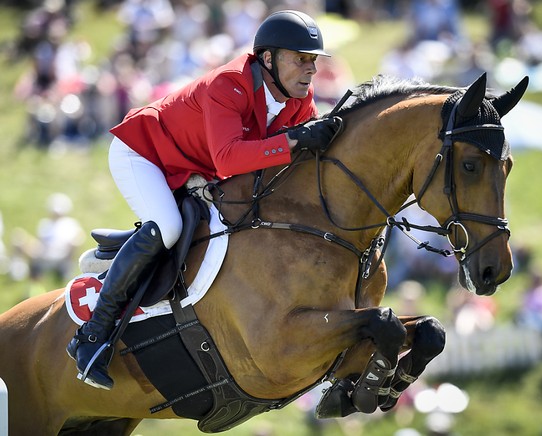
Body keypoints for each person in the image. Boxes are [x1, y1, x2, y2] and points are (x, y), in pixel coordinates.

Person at [66, 9, 343, 390]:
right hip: (144, 153)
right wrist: (295, 141)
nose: (311, 69)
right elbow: (229, 158)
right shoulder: (228, 85)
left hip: (194, 166)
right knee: (168, 227)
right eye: (301, 59)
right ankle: (91, 336)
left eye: (313, 60)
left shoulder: (299, 98)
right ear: (267, 59)